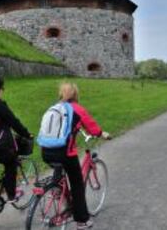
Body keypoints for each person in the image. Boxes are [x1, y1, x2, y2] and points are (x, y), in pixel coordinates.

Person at [41, 82, 110, 229]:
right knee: (77, 184)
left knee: (59, 167)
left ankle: (56, 189)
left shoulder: (54, 108)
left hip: (45, 151)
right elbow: (91, 127)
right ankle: (82, 220)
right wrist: (101, 133)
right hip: (64, 153)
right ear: (75, 94)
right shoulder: (77, 109)